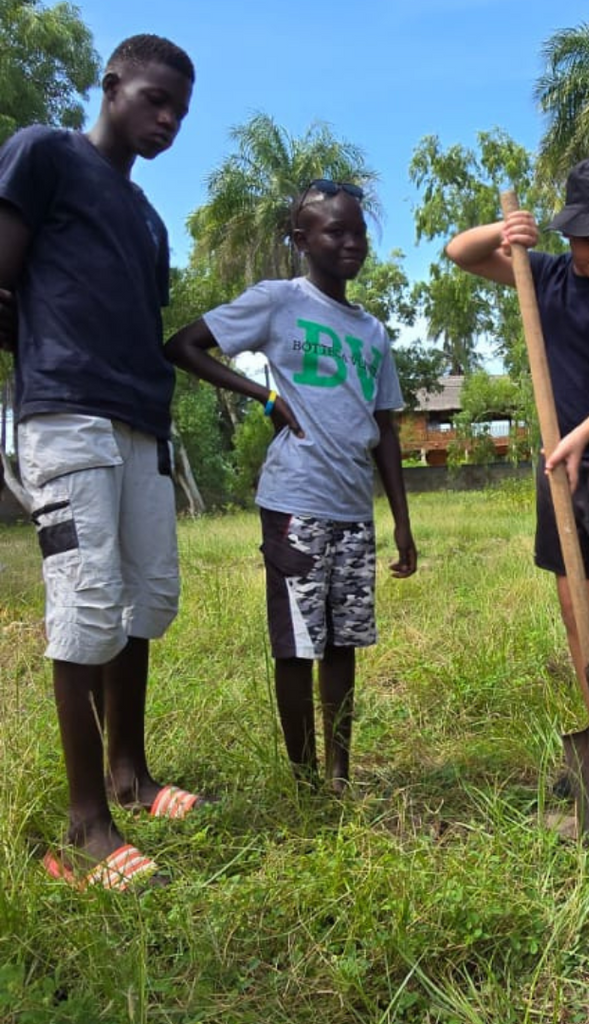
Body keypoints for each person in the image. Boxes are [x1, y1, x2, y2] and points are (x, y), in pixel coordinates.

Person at [0, 35, 200, 889]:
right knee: (84, 606)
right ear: (111, 85)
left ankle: (131, 775)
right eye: (156, 99)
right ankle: (86, 825)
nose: (168, 120)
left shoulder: (149, 218)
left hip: (141, 421)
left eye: (181, 111)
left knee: (145, 600)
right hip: (66, 413)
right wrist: (44, 363)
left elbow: (136, 319)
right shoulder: (44, 153)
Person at [165, 179, 417, 793]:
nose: (352, 242)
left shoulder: (373, 332)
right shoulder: (279, 301)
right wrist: (265, 396)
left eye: (359, 232)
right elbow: (184, 345)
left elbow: (385, 429)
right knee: (298, 644)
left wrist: (402, 523)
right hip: (294, 502)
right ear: (302, 241)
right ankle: (304, 782)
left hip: (353, 509)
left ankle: (338, 774)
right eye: (336, 231)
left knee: (342, 642)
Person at [445, 158, 589, 798]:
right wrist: (503, 231)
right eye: (588, 236)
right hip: (562, 469)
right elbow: (460, 252)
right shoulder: (540, 273)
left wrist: (579, 437)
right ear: (567, 230)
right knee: (581, 610)